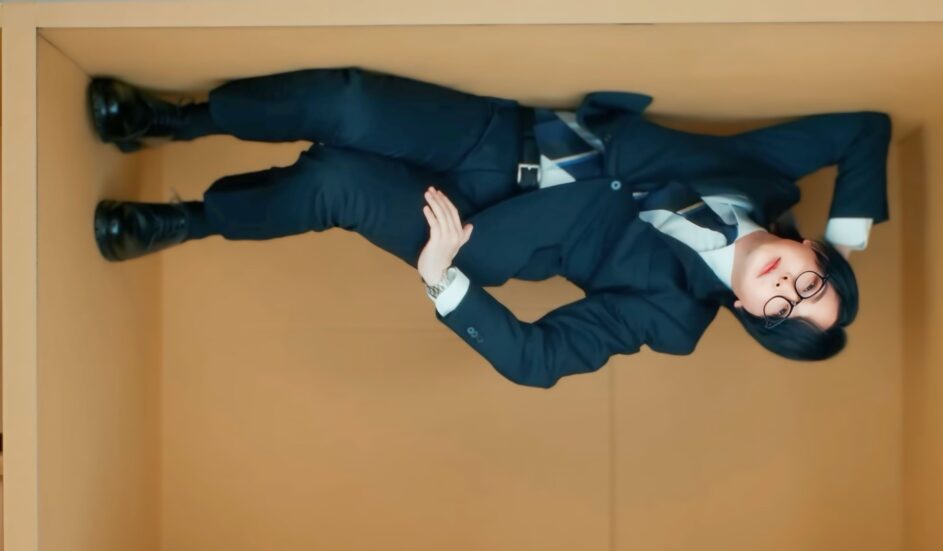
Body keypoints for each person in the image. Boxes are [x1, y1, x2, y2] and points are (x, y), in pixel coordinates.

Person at [90, 67, 892, 386]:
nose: (788, 289)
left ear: (752, 315)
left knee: (331, 182)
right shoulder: (761, 171)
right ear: (810, 248)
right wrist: (854, 238)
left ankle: (188, 220)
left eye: (785, 311)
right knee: (346, 103)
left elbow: (538, 361)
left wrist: (444, 278)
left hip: (469, 228)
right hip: (495, 136)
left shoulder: (670, 317)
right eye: (813, 280)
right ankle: (174, 120)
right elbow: (864, 130)